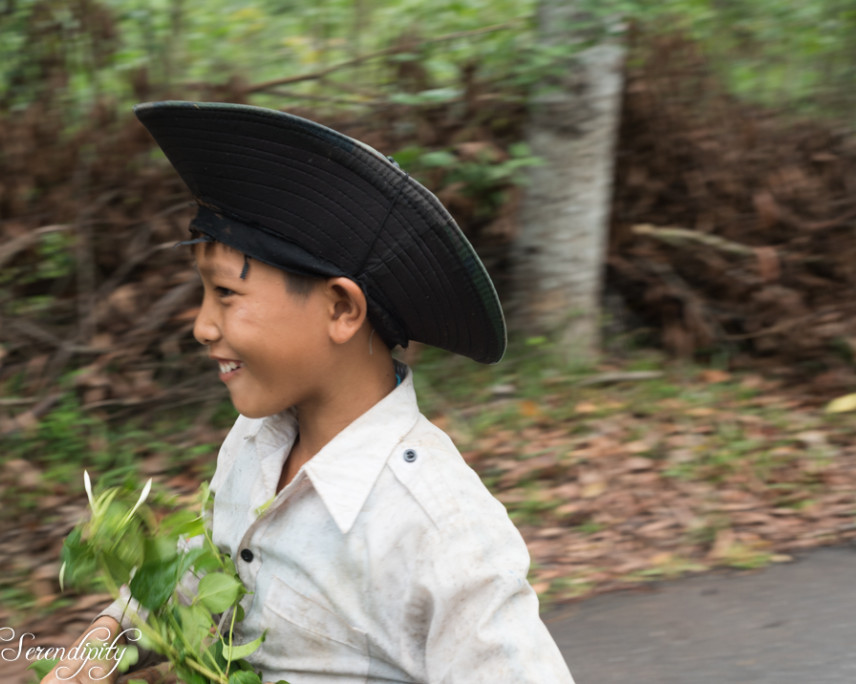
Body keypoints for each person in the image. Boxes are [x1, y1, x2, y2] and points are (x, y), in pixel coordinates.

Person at [43, 101, 575, 684]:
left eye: (225, 293)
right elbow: (197, 593)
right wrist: (97, 649)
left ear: (342, 309)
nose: (201, 325)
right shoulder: (254, 442)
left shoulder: (439, 531)